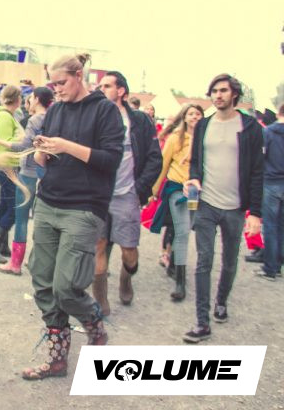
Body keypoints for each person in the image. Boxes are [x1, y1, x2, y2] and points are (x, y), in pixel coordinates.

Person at [22, 53, 123, 380]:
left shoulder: (105, 110)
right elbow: (45, 160)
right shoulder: (56, 110)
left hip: (84, 207)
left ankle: (94, 325)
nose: (57, 89)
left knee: (66, 286)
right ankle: (57, 360)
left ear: (79, 75)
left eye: (61, 82)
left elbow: (110, 161)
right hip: (49, 200)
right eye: (52, 84)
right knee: (42, 282)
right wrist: (42, 150)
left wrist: (65, 145)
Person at [183, 74, 263, 343]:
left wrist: (256, 213)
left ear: (234, 94)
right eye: (214, 91)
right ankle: (201, 322)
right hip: (206, 203)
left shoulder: (250, 128)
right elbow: (195, 162)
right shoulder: (204, 125)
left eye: (223, 90)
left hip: (235, 207)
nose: (218, 95)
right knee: (203, 261)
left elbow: (257, 171)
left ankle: (221, 301)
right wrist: (194, 178)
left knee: (229, 260)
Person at [93, 71, 161, 314]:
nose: (101, 89)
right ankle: (100, 300)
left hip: (127, 195)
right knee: (99, 245)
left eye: (107, 86)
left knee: (129, 250)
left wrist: (139, 188)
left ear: (121, 91)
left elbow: (155, 158)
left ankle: (126, 277)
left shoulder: (140, 120)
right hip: (99, 194)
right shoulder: (96, 117)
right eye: (100, 86)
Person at [0, 87, 55, 275]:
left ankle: (8, 255)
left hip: (25, 169)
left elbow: (22, 145)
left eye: (30, 97)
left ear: (37, 99)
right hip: (15, 166)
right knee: (14, 209)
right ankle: (0, 246)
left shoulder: (33, 119)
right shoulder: (52, 117)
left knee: (18, 214)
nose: (27, 101)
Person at [150, 104, 204, 301]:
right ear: (184, 117)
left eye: (198, 114)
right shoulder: (175, 138)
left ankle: (173, 263)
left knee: (184, 228)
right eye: (191, 114)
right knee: (181, 232)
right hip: (176, 189)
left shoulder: (205, 139)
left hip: (194, 192)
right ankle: (180, 282)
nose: (194, 117)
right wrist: (153, 191)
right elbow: (163, 165)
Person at [0, 84, 23, 264]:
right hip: (6, 165)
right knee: (14, 208)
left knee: (5, 204)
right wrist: (23, 139)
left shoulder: (5, 115)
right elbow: (7, 143)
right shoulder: (5, 117)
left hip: (6, 164)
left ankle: (1, 244)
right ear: (17, 99)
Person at [256, 103, 284, 280]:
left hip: (271, 181)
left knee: (270, 226)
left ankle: (270, 268)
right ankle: (279, 265)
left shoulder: (268, 132)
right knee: (281, 226)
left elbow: (261, 157)